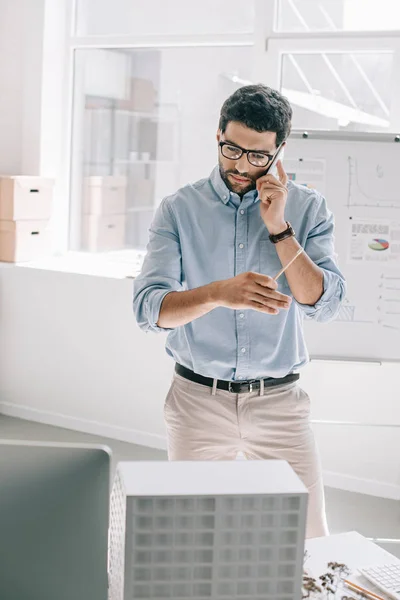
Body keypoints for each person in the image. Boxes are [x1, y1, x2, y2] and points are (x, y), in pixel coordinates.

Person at [133, 84, 346, 538]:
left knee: (308, 542)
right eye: (232, 149)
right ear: (218, 136)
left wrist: (279, 228)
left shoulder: (308, 209)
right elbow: (150, 310)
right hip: (197, 402)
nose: (241, 166)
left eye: (258, 156)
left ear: (279, 151)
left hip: (280, 404)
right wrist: (217, 293)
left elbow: (324, 304)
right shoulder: (178, 209)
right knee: (190, 539)